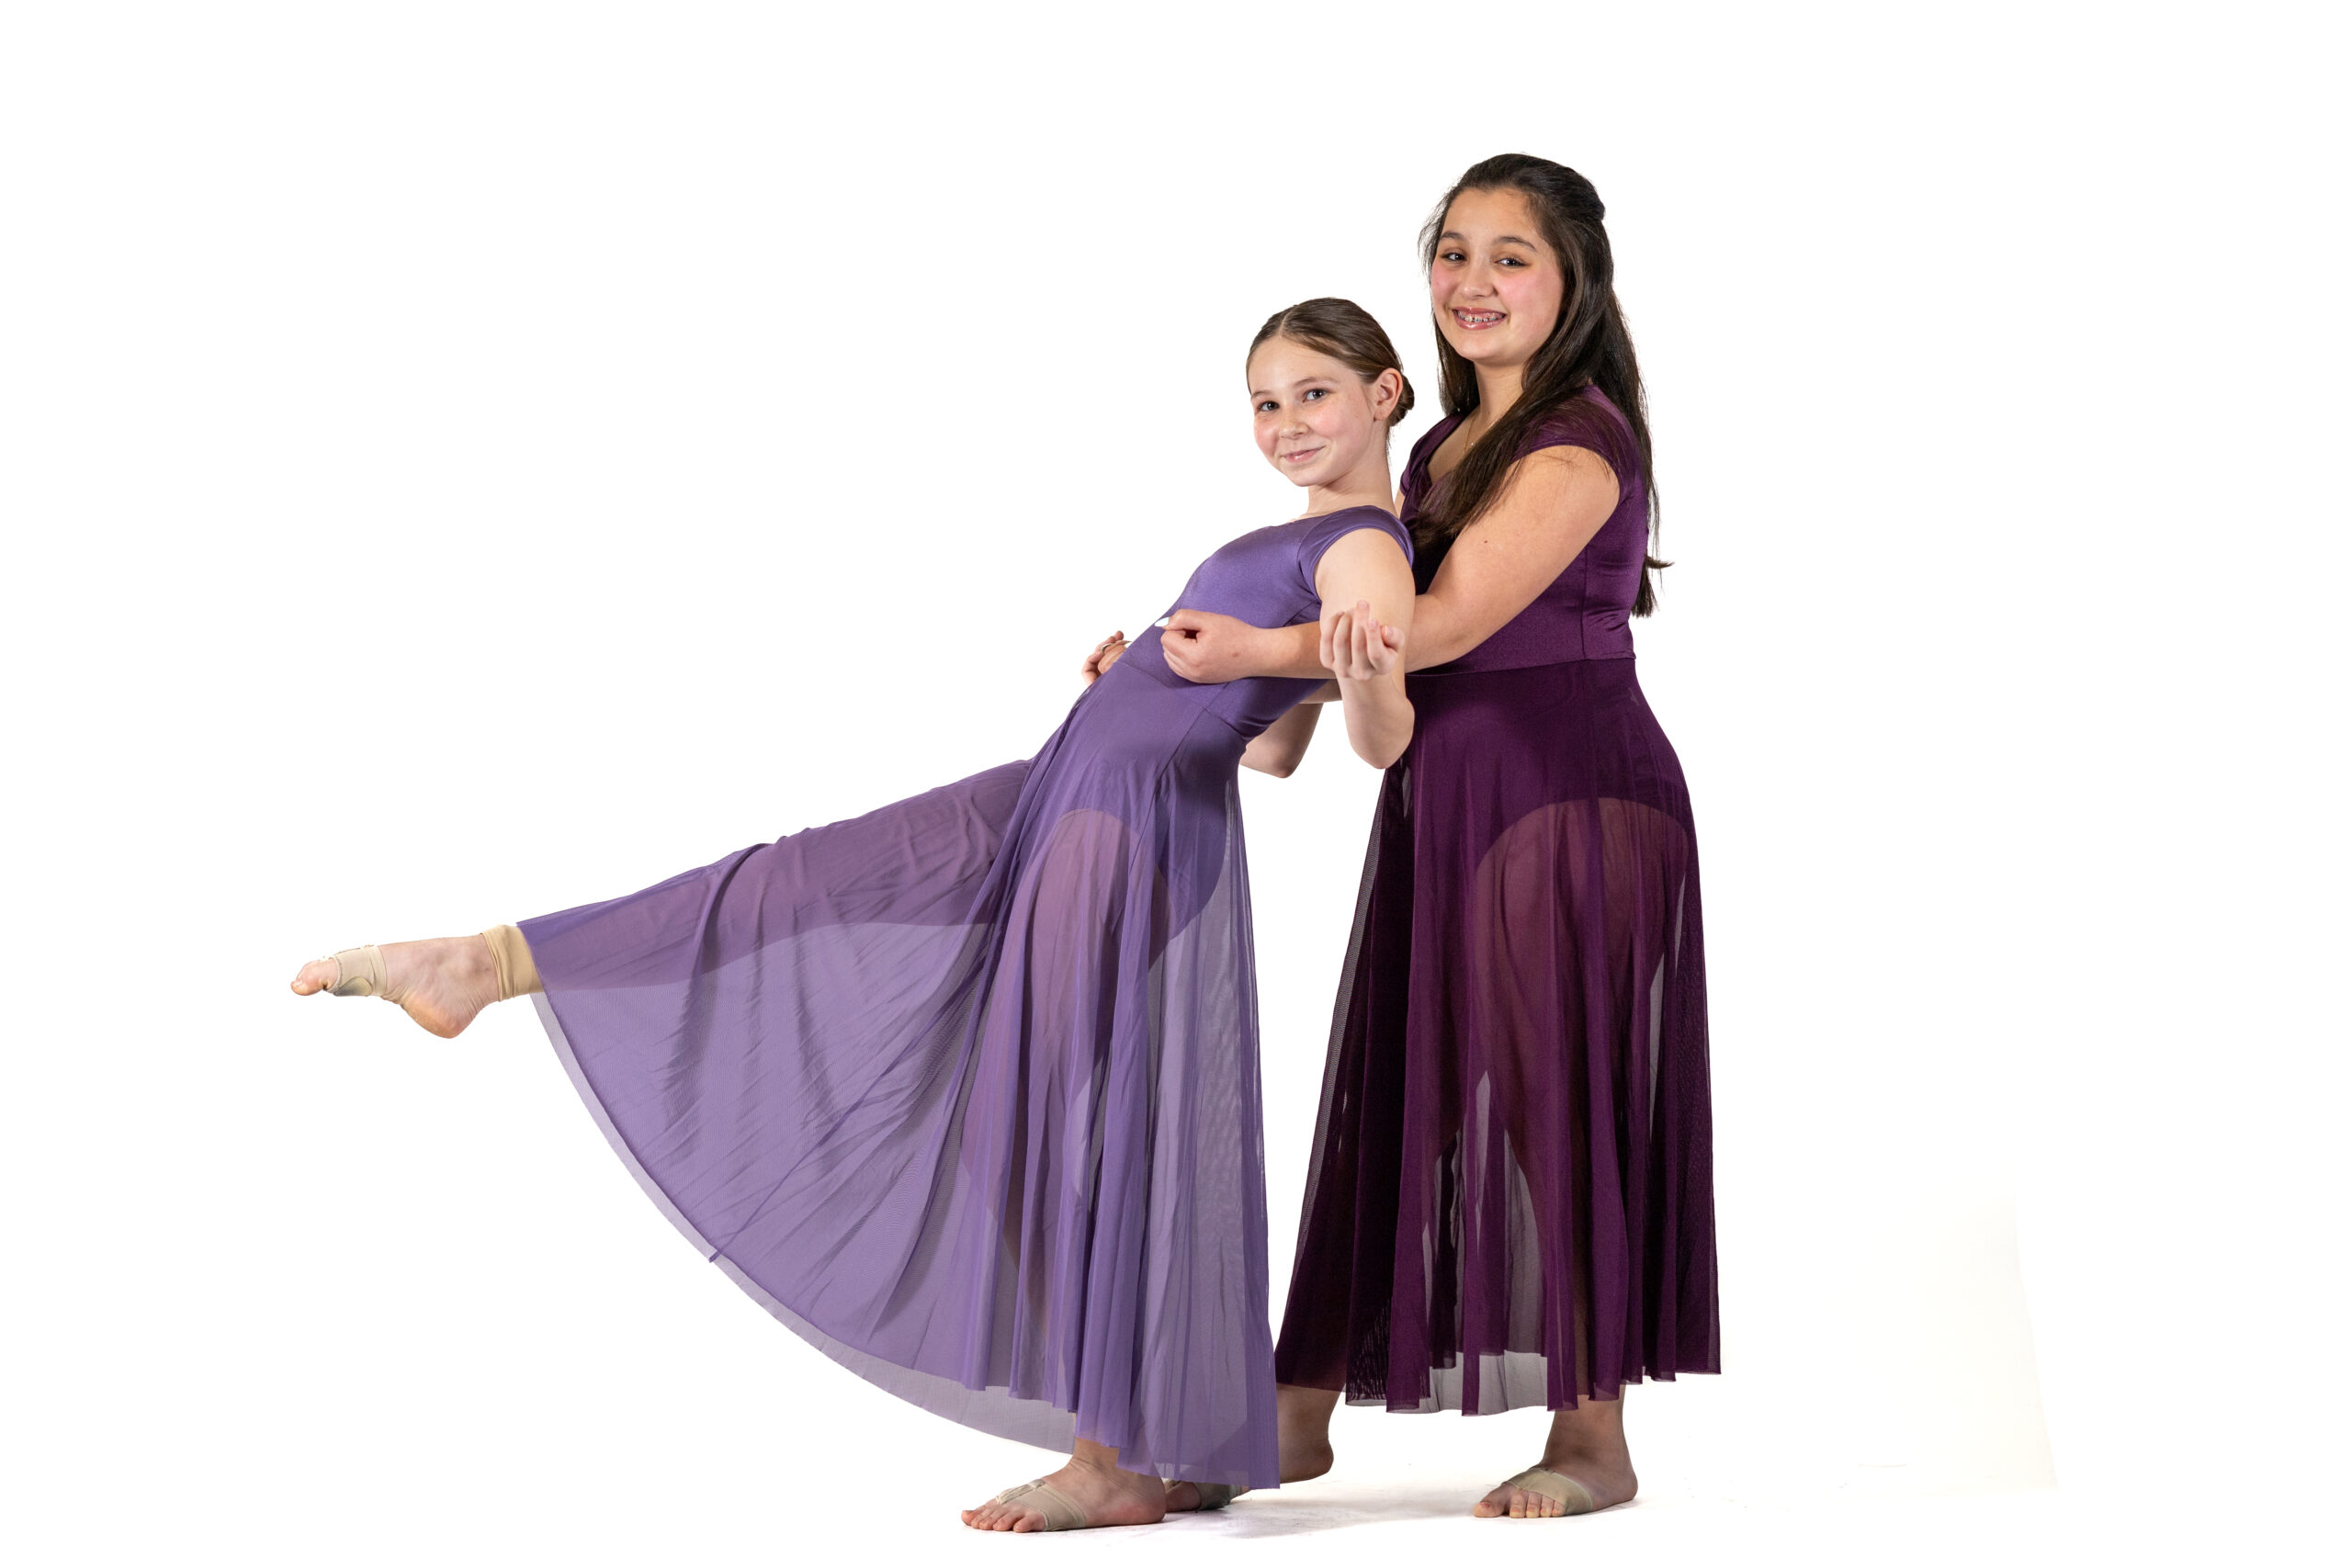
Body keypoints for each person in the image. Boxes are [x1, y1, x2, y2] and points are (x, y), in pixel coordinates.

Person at [289, 299, 1420, 1533]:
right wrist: (1151, 673)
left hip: (1127, 827)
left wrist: (1268, 652)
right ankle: (488, 961)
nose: (1285, 421)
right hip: (1068, 789)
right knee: (794, 881)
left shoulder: (1366, 543)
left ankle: (1116, 1458)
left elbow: (1380, 708)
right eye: (1264, 401)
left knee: (1046, 1119)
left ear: (1387, 394)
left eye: (1315, 392)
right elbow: (1276, 752)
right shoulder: (1296, 535)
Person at [1155, 156, 1718, 1521]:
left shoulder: (1578, 439)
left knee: (1543, 1098)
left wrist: (1243, 647)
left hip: (1567, 802)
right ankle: (1290, 1418)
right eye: (1452, 253)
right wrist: (1185, 670)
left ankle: (1594, 1441)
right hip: (1444, 797)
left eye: (1508, 257)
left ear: (1572, 276)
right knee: (1391, 1088)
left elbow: (1445, 624)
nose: (1471, 283)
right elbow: (1354, 632)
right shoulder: (1441, 446)